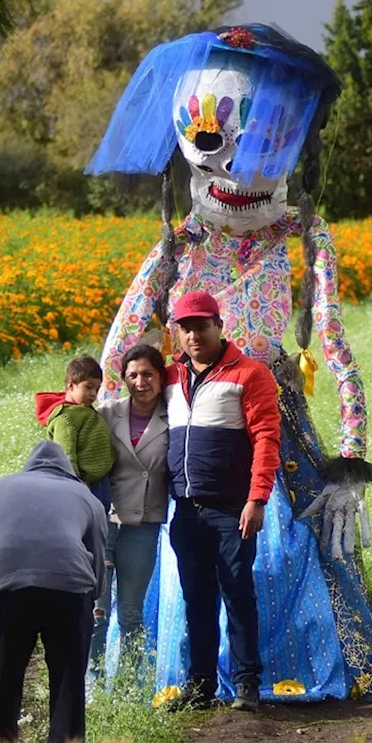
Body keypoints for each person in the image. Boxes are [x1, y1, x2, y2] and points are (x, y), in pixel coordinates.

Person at [87, 23, 372, 704]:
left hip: (268, 414)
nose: (235, 171)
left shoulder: (302, 234)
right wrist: (100, 463)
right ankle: (191, 680)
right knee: (183, 552)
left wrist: (349, 462)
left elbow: (335, 346)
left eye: (263, 144)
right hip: (189, 415)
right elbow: (118, 351)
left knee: (281, 549)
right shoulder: (179, 244)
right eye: (214, 144)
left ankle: (265, 675)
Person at [164, 290, 279, 712]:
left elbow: (267, 437)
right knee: (197, 597)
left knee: (237, 592)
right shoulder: (170, 378)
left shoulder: (250, 374)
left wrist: (258, 499)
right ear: (177, 333)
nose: (194, 335)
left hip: (233, 508)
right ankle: (201, 685)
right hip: (185, 509)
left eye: (201, 325)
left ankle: (247, 682)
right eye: (186, 327)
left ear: (219, 326)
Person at [0, 441, 107, 743]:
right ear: (67, 470)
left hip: (6, 591)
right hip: (70, 592)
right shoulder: (86, 498)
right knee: (68, 684)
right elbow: (98, 563)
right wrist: (92, 598)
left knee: (3, 685)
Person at [89, 343, 170, 673]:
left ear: (161, 377)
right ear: (123, 378)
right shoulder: (107, 414)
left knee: (131, 612)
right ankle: (90, 680)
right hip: (104, 522)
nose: (141, 382)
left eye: (148, 374)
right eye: (133, 375)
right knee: (97, 609)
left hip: (143, 524)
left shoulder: (175, 416)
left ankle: (128, 686)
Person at [35, 356, 117, 512]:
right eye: (88, 387)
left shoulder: (83, 409)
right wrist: (75, 484)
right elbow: (65, 454)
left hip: (100, 478)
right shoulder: (65, 418)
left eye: (97, 389)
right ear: (71, 386)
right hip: (85, 483)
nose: (93, 394)